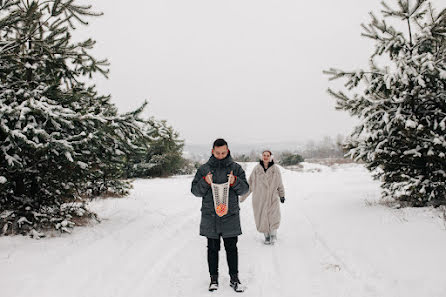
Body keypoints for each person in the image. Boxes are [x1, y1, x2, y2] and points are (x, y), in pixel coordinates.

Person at [191, 138, 249, 292]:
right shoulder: (204, 169)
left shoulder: (236, 168)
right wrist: (205, 181)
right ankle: (213, 279)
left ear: (228, 150)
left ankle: (234, 279)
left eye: (224, 152)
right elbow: (195, 191)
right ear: (212, 151)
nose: (221, 155)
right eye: (218, 153)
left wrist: (235, 182)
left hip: (230, 216)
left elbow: (244, 190)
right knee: (212, 249)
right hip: (211, 216)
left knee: (231, 248)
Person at [241, 150, 285, 245]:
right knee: (261, 217)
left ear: (270, 157)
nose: (265, 157)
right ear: (262, 157)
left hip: (272, 197)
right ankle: (266, 236)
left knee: (273, 216)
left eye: (267, 155)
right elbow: (250, 184)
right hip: (259, 198)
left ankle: (273, 235)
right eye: (264, 155)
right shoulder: (256, 169)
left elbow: (279, 183)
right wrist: (242, 197)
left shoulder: (275, 169)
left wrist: (282, 195)